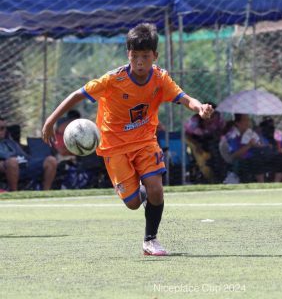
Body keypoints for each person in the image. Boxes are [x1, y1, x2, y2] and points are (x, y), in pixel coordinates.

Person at [42, 23, 213, 255]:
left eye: (145, 57)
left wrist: (199, 107)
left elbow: (184, 98)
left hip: (145, 142)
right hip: (113, 147)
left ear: (155, 56)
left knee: (156, 189)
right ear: (128, 55)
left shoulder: (160, 78)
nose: (140, 62)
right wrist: (51, 121)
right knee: (132, 203)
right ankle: (141, 194)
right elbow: (77, 95)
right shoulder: (113, 79)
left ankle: (150, 240)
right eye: (135, 57)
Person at [0, 116, 58, 191]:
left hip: (25, 164)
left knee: (51, 160)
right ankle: (14, 193)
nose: (2, 131)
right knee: (12, 162)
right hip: (10, 166)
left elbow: (24, 156)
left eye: (3, 128)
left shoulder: (11, 142)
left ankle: (46, 191)